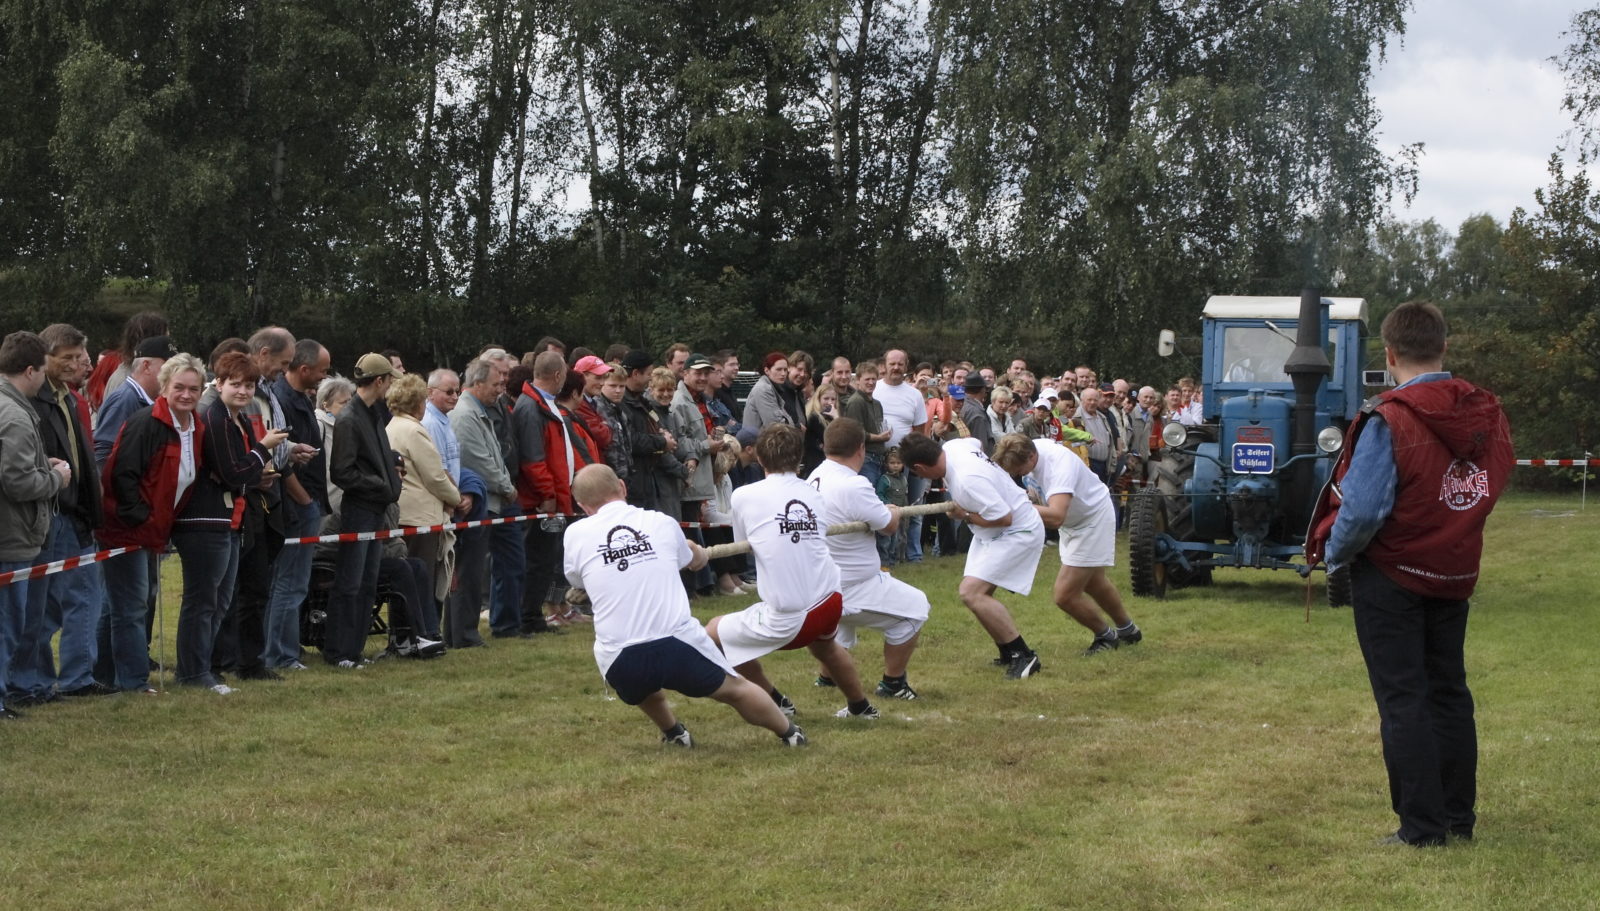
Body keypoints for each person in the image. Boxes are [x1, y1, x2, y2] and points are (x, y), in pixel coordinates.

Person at [1307, 301, 1513, 848]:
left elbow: (1365, 510)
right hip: (1453, 568)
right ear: (1445, 347)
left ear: (1390, 354)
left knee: (1404, 699)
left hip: (1393, 572)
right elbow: (1494, 477)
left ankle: (1422, 828)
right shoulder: (1486, 412)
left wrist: (1337, 555)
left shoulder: (1389, 416)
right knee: (1449, 692)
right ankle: (1456, 819)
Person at [563, 464, 806, 747]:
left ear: (583, 506)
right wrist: (695, 551)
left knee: (641, 686)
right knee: (736, 689)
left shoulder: (575, 534)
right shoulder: (661, 522)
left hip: (620, 657)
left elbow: (575, 577)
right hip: (677, 643)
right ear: (622, 487)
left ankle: (674, 733)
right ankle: (790, 733)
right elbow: (692, 561)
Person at [703, 424, 880, 720]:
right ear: (799, 458)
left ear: (759, 457)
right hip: (830, 597)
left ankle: (775, 701)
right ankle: (861, 707)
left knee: (714, 634)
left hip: (792, 613)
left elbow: (742, 545)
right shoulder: (812, 492)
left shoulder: (745, 495)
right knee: (826, 647)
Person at [174, 352, 289, 690]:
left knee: (219, 601)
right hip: (205, 519)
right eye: (235, 384)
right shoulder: (217, 419)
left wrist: (257, 474)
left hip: (229, 518)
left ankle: (203, 669)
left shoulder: (233, 419)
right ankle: (194, 671)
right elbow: (231, 472)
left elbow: (241, 473)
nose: (242, 391)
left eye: (249, 385)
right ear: (219, 383)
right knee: (203, 600)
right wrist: (263, 450)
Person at [10, 324, 106, 706]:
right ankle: (30, 682)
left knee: (77, 596)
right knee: (40, 603)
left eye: (76, 357)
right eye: (64, 358)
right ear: (41, 360)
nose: (73, 364)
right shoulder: (31, 403)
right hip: (51, 512)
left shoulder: (68, 397)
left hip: (75, 511)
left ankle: (68, 676)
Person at [901, 431, 1044, 679]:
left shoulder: (966, 480)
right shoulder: (956, 445)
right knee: (978, 595)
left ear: (920, 467)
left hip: (1018, 529)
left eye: (917, 473)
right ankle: (1008, 652)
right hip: (991, 532)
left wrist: (964, 515)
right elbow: (976, 441)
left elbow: (1003, 517)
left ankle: (1025, 655)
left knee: (971, 592)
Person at [810, 420, 929, 700]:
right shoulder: (853, 483)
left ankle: (828, 678)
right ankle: (893, 683)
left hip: (825, 580)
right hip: (853, 582)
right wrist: (893, 511)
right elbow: (887, 525)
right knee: (915, 607)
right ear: (861, 449)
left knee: (842, 626)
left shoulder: (815, 474)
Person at [994, 434, 1142, 655]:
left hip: (1092, 519)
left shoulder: (1058, 464)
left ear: (1032, 456)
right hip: (1075, 520)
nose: (1016, 473)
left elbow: (1055, 516)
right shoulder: (1028, 449)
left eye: (1019, 468)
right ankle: (1128, 630)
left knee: (1065, 595)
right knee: (1094, 582)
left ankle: (1106, 636)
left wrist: (1012, 508)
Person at [0, 332, 73, 718]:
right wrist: (55, 480)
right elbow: (15, 480)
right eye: (43, 370)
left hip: (11, 534)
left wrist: (43, 464)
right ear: (30, 370)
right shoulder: (13, 414)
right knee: (7, 625)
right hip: (11, 537)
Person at [324, 353, 403, 668]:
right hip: (360, 509)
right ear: (380, 381)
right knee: (350, 582)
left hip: (375, 508)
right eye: (388, 382)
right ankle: (338, 652)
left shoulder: (371, 414)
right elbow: (341, 473)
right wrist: (381, 485)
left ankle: (353, 650)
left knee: (367, 581)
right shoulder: (350, 418)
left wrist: (389, 469)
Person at [263, 339, 331, 671]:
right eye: (323, 370)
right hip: (293, 507)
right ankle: (281, 654)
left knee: (294, 583)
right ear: (304, 370)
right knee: (288, 583)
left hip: (303, 503)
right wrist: (304, 501)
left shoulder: (295, 399)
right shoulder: (283, 401)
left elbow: (285, 450)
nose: (325, 376)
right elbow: (277, 460)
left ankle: (284, 650)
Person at [388, 372, 462, 649]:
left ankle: (406, 636)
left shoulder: (393, 425)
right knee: (422, 581)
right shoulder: (414, 430)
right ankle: (422, 634)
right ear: (417, 402)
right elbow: (435, 476)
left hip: (403, 513)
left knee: (405, 582)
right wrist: (455, 498)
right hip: (420, 515)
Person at [449, 358, 515, 648]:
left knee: (473, 570)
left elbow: (493, 455)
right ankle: (463, 633)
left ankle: (464, 631)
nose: (499, 390)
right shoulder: (465, 415)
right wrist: (506, 486)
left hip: (487, 500)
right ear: (476, 384)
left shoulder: (478, 411)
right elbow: (478, 461)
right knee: (469, 571)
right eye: (494, 384)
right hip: (479, 502)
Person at [840, 360, 891, 485]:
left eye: (874, 379)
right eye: (867, 379)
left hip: (879, 458)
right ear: (857, 380)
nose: (871, 382)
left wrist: (886, 433)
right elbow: (855, 434)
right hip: (865, 459)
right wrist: (879, 437)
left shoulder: (877, 403)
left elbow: (878, 427)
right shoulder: (856, 402)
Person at [742, 352, 794, 433]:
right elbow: (775, 425)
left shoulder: (772, 388)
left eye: (785, 370)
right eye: (779, 369)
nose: (783, 373)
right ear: (767, 370)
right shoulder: (763, 389)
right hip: (756, 443)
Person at [874, 448, 909, 566]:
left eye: (898, 463)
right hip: (888, 514)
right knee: (886, 540)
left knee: (899, 538)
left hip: (901, 514)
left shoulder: (904, 479)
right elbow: (879, 494)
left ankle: (896, 560)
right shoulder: (885, 479)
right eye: (892, 463)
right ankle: (884, 562)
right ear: (886, 464)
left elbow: (905, 495)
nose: (895, 466)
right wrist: (888, 503)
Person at [800, 383, 840, 478]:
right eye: (826, 399)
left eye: (833, 399)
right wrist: (837, 419)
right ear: (818, 399)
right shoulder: (814, 418)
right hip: (815, 465)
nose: (830, 402)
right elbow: (832, 440)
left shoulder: (830, 417)